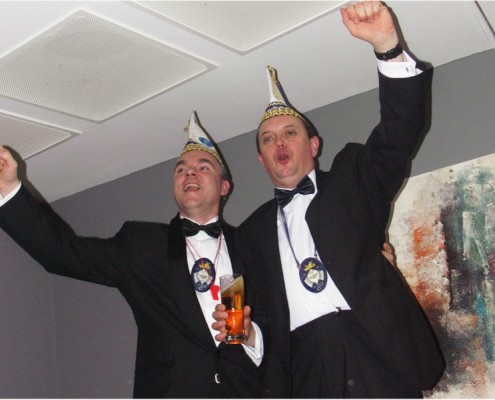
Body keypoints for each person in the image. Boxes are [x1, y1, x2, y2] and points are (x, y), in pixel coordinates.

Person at [216, 1, 445, 398]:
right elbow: (265, 322)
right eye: (268, 139)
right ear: (261, 159)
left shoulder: (352, 181)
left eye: (290, 133)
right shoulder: (250, 234)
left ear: (314, 145)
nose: (279, 143)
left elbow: (399, 133)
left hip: (377, 349)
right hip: (306, 369)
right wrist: (248, 334)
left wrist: (387, 46)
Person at [0, 112, 263, 398]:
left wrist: (251, 335)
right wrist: (8, 189)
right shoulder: (142, 244)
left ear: (224, 186)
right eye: (181, 170)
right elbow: (63, 253)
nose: (190, 173)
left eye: (203, 167)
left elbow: (281, 329)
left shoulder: (252, 246)